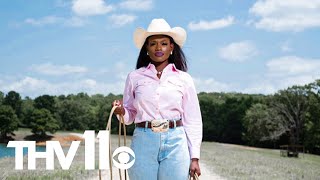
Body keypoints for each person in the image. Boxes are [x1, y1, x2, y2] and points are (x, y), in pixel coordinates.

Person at [112, 18, 202, 180]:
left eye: (164, 43)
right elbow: (130, 115)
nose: (158, 48)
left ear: (172, 47)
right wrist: (121, 111)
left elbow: (193, 119)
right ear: (147, 47)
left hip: (176, 141)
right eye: (153, 43)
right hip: (143, 141)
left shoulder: (184, 79)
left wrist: (194, 157)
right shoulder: (134, 77)